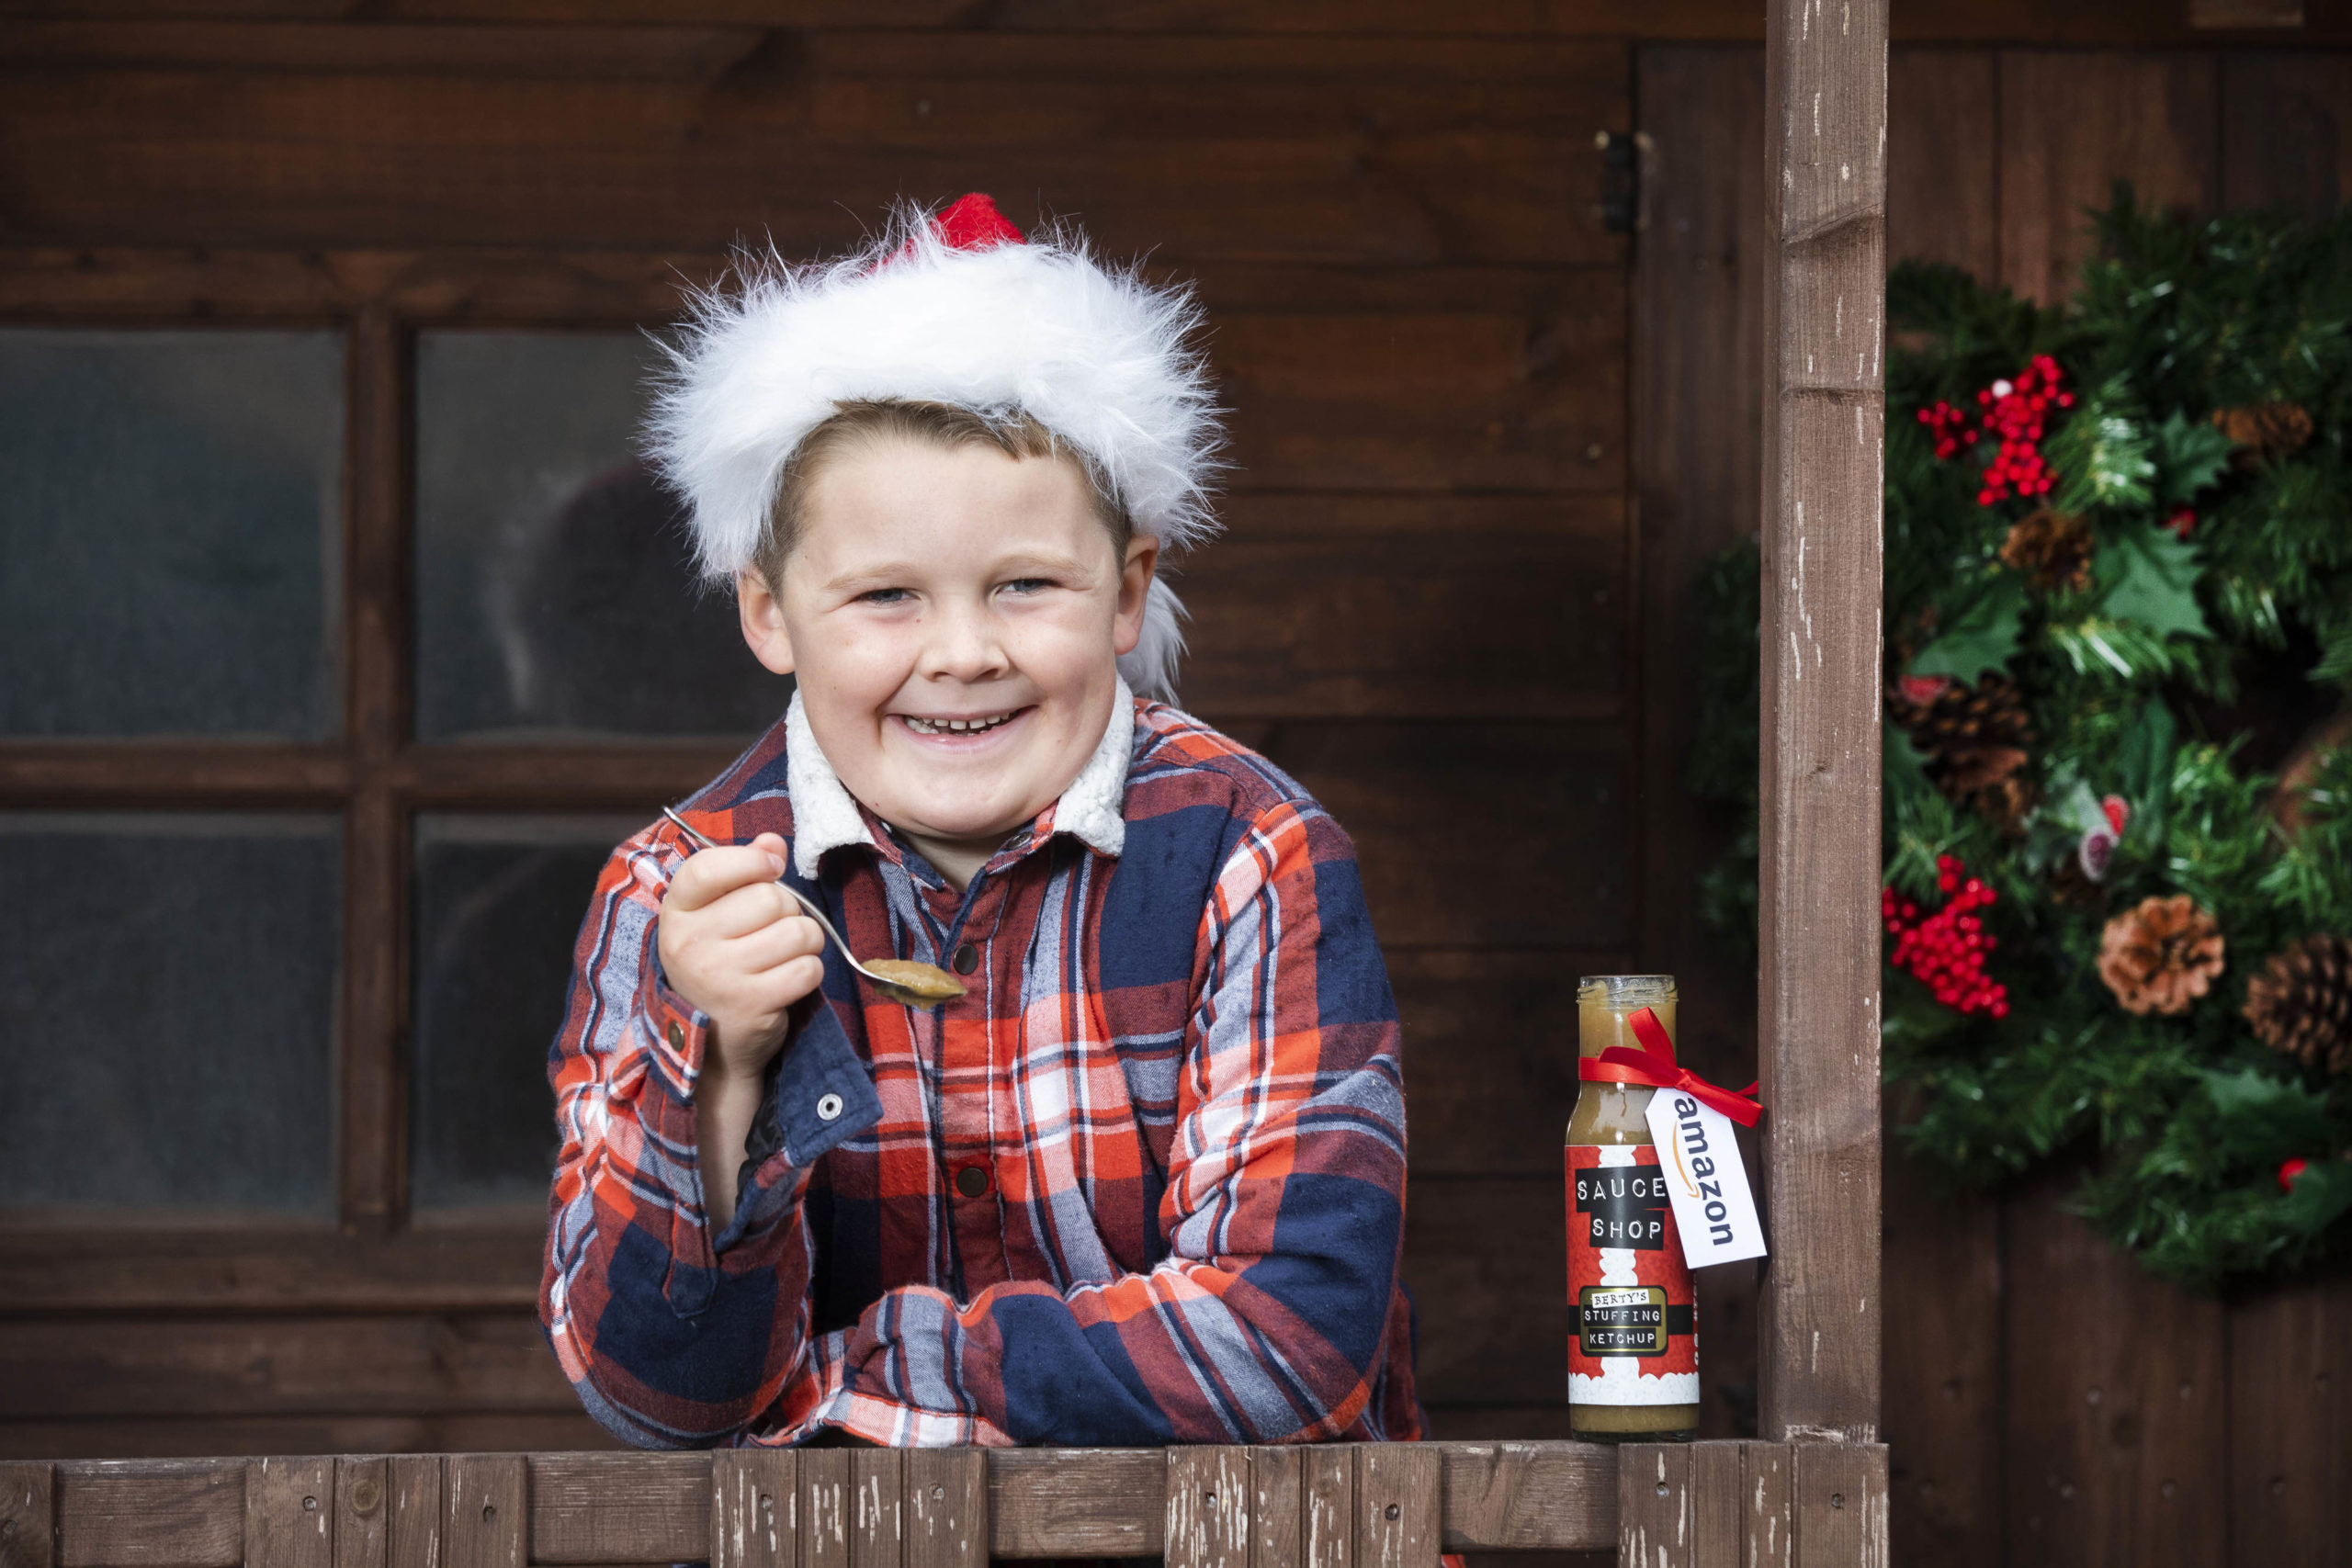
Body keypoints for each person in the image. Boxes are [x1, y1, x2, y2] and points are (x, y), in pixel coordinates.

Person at [538, 194, 1423, 1448]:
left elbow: (1283, 1345)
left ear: (1128, 591)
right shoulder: (681, 892)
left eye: (1025, 586)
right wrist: (720, 1068)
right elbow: (654, 1399)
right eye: (888, 596)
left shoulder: (1249, 852)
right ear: (769, 617)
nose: (963, 654)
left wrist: (849, 1377)